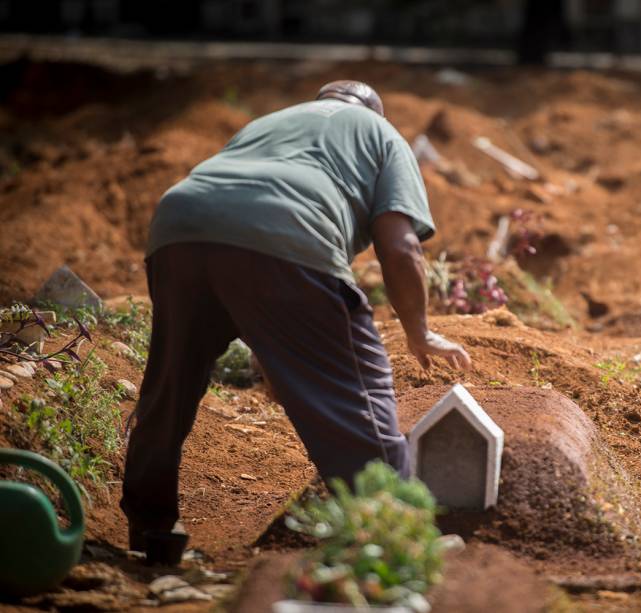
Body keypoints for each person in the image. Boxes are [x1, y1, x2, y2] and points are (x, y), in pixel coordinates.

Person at [121, 80, 471, 554]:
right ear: (376, 112)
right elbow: (401, 245)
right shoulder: (382, 135)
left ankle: (150, 526)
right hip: (286, 230)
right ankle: (398, 536)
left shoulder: (268, 124)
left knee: (170, 381)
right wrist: (420, 331)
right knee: (361, 392)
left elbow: (239, 242)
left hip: (179, 226)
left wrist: (276, 357)